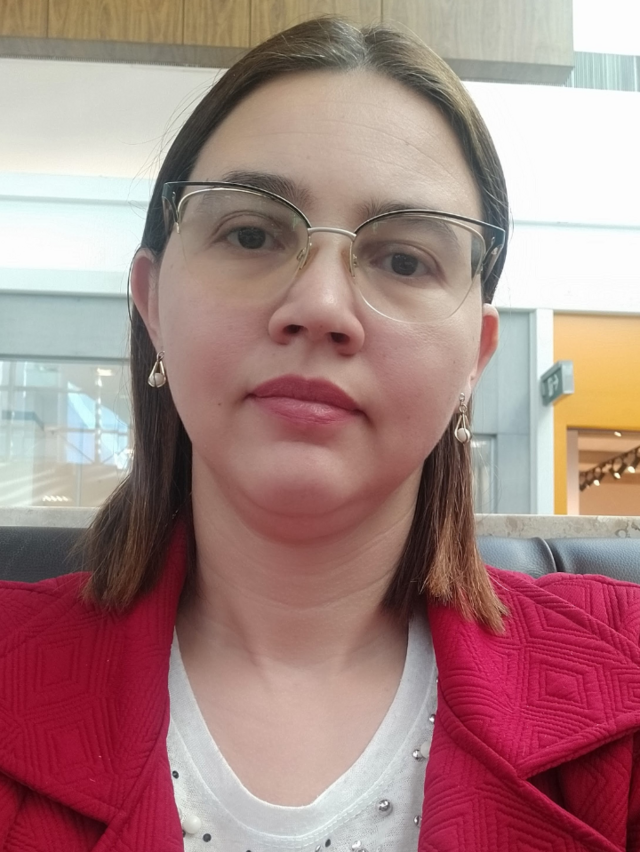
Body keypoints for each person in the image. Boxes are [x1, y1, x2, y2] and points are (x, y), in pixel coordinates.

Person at [1, 16, 640, 852]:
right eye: (251, 234)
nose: (320, 307)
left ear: (475, 358)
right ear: (153, 305)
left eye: (404, 260)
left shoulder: (627, 673)